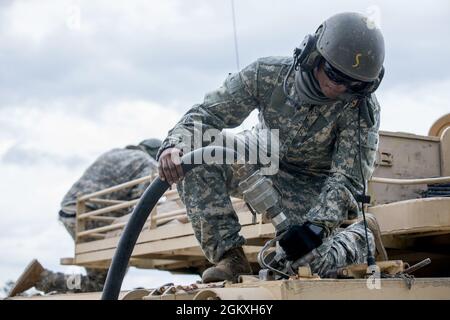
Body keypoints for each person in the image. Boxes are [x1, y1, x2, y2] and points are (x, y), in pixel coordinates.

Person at [157, 12, 388, 283]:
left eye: (355, 85)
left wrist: (316, 227)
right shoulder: (267, 74)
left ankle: (362, 236)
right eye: (336, 76)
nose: (341, 89)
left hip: (313, 186)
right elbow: (206, 114)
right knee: (195, 152)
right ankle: (231, 258)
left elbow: (348, 178)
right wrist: (173, 146)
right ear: (312, 55)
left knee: (305, 265)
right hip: (262, 156)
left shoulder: (359, 107)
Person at [8, 139, 161, 296]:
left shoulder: (116, 152)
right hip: (93, 214)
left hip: (72, 212)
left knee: (102, 279)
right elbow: (145, 200)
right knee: (105, 283)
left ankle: (42, 278)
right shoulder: (146, 162)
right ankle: (42, 277)